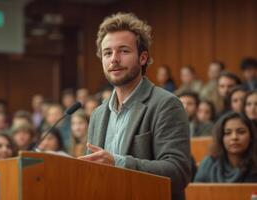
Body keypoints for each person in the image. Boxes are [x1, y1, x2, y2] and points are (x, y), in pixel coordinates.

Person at [78, 12, 191, 200]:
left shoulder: (166, 104)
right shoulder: (98, 114)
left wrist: (118, 163)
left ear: (143, 57)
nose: (114, 59)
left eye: (123, 51)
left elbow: (178, 172)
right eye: (107, 53)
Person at [194, 112, 257, 182]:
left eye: (241, 132)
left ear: (251, 136)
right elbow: (197, 192)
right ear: (220, 137)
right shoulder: (208, 164)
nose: (234, 137)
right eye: (227, 133)